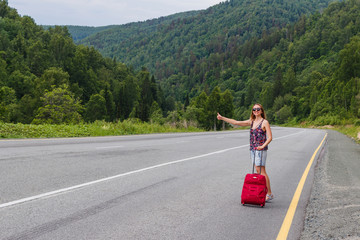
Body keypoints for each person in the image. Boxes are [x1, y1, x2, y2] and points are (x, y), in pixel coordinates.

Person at [217, 103, 274, 201]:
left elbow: (270, 137)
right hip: (252, 149)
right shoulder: (251, 121)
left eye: (258, 109)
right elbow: (236, 122)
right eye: (254, 109)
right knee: (258, 170)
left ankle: (269, 194)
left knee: (261, 170)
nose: (256, 111)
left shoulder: (265, 122)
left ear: (261, 110)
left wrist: (262, 146)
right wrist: (222, 118)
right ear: (252, 111)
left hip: (260, 150)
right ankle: (265, 192)